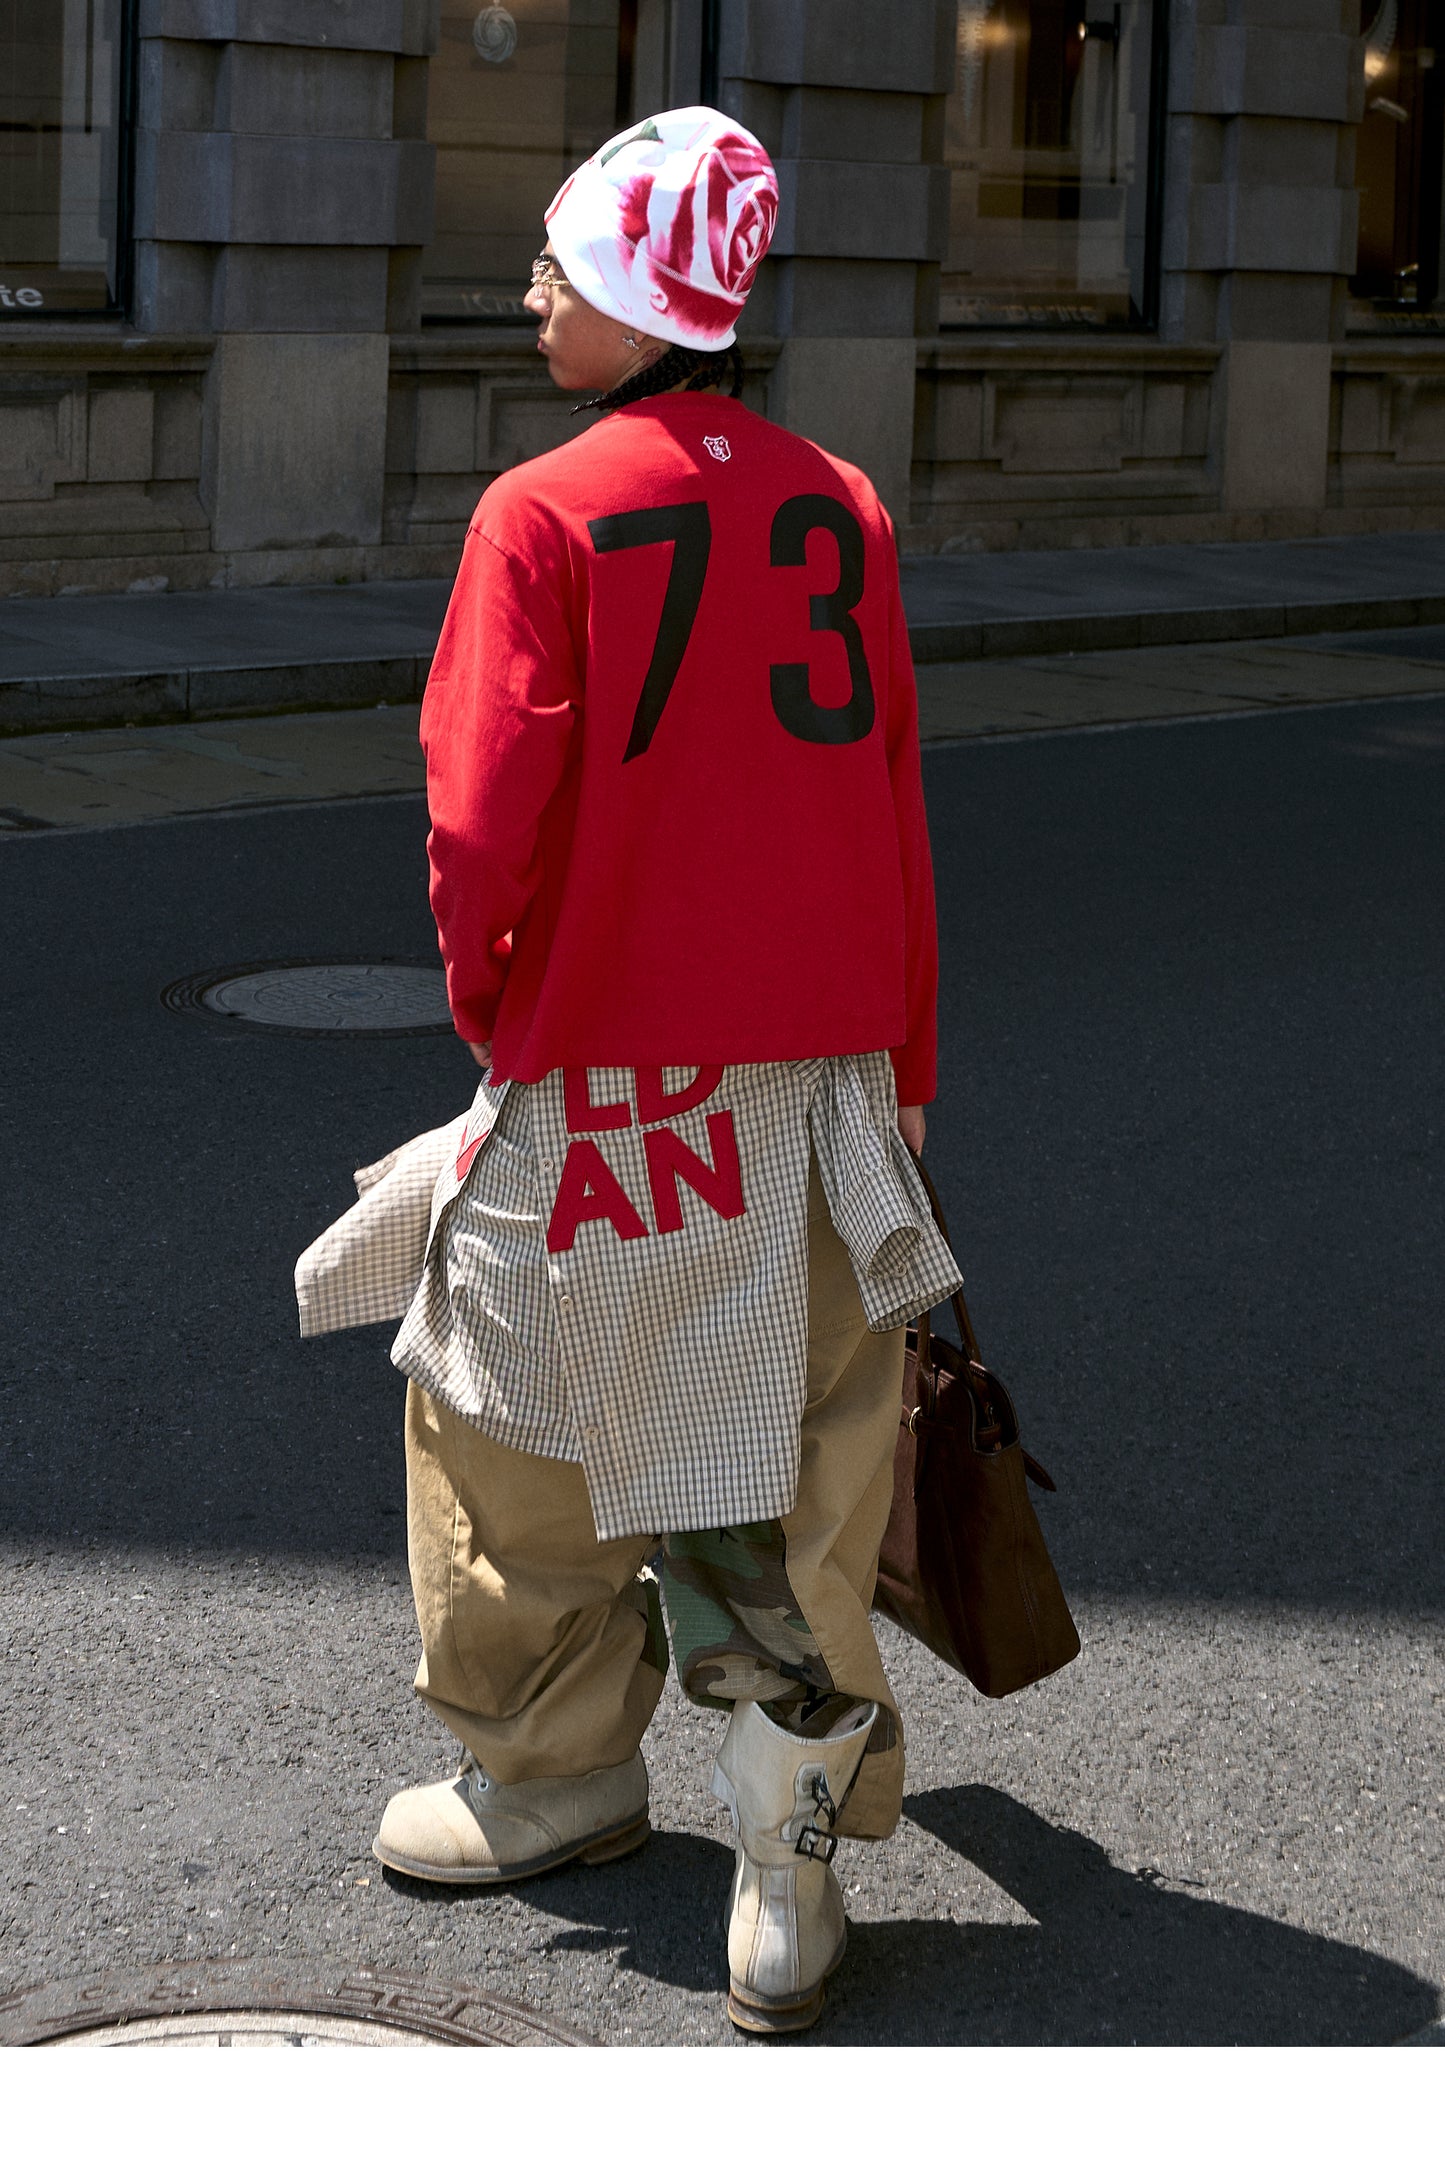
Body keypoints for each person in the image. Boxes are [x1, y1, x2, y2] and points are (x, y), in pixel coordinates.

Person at [300, 106, 961, 2037]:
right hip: (824, 1081)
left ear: (628, 298)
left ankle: (552, 1771)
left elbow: (478, 824)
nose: (527, 292)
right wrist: (904, 1065)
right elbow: (896, 806)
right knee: (802, 1454)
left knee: (502, 1427)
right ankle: (788, 1870)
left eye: (556, 266)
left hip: (600, 1069)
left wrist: (495, 1013)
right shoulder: (840, 499)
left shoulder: (540, 513)